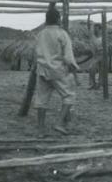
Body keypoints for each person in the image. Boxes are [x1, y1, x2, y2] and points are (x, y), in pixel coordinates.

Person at [34, 8, 80, 137]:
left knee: (41, 99)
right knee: (69, 96)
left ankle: (40, 129)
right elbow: (68, 57)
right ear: (59, 19)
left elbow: (36, 53)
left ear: (46, 19)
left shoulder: (40, 34)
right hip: (58, 70)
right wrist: (74, 70)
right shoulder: (62, 34)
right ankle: (59, 123)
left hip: (42, 70)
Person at [88, 23, 103, 89]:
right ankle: (93, 83)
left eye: (96, 29)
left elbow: (105, 47)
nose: (94, 30)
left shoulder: (103, 38)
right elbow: (89, 29)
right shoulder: (93, 37)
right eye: (94, 28)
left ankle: (99, 84)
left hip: (102, 55)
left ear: (100, 29)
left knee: (101, 71)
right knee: (91, 69)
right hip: (96, 56)